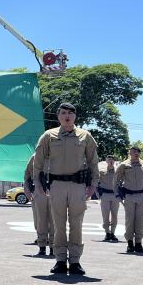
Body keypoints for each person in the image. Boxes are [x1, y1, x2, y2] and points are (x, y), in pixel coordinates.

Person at [33, 103, 99, 275]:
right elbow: (38, 162)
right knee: (58, 224)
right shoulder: (49, 136)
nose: (67, 116)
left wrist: (93, 185)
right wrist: (38, 184)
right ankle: (60, 260)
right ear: (58, 116)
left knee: (76, 224)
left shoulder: (85, 136)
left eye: (70, 113)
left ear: (75, 116)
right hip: (57, 186)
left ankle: (75, 261)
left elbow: (93, 162)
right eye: (63, 113)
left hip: (78, 186)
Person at [114, 146, 143, 254]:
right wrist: (117, 194)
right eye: (133, 152)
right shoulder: (124, 165)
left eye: (137, 152)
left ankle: (138, 243)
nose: (135, 153)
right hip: (129, 196)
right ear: (129, 153)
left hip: (141, 196)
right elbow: (116, 180)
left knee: (140, 221)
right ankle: (130, 243)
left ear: (139, 153)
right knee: (129, 221)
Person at [24, 153, 52, 257]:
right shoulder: (35, 156)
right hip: (38, 191)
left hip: (54, 189)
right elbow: (27, 174)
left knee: (54, 220)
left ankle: (53, 247)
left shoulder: (59, 152)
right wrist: (27, 189)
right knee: (39, 220)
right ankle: (42, 247)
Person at [97, 156, 120, 242]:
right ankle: (107, 233)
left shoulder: (117, 170)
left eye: (112, 160)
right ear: (106, 161)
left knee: (114, 215)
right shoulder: (101, 170)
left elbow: (121, 180)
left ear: (114, 161)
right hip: (105, 195)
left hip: (114, 195)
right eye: (109, 160)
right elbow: (96, 181)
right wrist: (98, 194)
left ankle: (113, 233)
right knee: (105, 215)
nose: (110, 161)